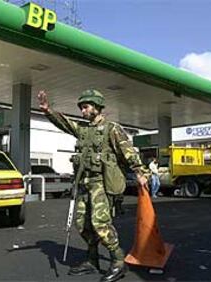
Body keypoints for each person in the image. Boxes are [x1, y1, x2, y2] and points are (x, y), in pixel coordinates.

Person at [37, 89, 148, 282]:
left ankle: (118, 261)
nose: (82, 111)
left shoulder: (111, 128)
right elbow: (65, 123)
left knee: (100, 223)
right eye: (81, 108)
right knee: (82, 225)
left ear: (97, 107)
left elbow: (128, 151)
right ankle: (92, 259)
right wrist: (48, 111)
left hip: (101, 184)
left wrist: (140, 172)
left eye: (85, 107)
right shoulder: (84, 129)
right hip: (83, 184)